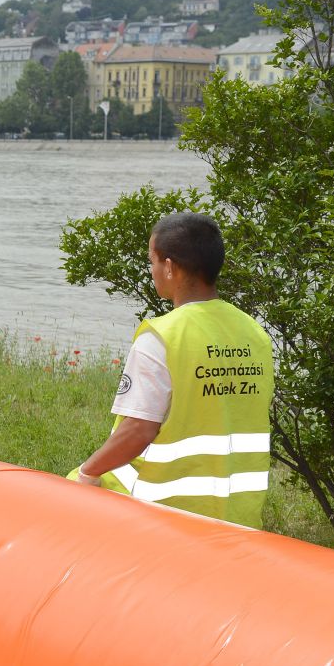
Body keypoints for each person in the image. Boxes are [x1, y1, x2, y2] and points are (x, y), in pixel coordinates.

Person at [73, 212, 274, 527]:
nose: (152, 270)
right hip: (238, 515)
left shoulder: (162, 336)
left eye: (152, 261)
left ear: (169, 267)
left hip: (161, 514)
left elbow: (138, 430)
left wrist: (87, 473)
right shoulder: (255, 334)